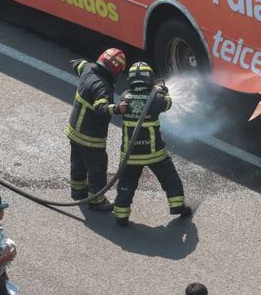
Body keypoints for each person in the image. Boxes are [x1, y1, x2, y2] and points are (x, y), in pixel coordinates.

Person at [112, 61, 191, 226]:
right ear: (150, 78)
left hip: (130, 154)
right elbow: (168, 103)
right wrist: (162, 91)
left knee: (126, 183)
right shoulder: (155, 98)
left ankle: (121, 214)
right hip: (154, 152)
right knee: (169, 178)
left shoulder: (125, 96)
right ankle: (177, 205)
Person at [67, 48, 127, 211]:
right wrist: (118, 109)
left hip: (74, 131)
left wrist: (77, 63)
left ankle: (78, 192)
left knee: (77, 163)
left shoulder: (87, 69)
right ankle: (97, 200)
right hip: (91, 138)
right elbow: (101, 109)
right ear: (116, 71)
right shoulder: (104, 87)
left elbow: (76, 64)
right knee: (97, 168)